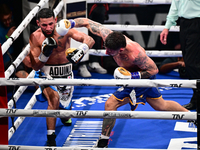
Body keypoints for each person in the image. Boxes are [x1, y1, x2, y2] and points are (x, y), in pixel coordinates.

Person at [72, 17, 189, 148]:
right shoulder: (108, 36)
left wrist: (132, 76)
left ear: (121, 50)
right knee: (161, 106)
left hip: (141, 79)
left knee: (110, 104)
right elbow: (88, 22)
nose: (106, 52)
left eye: (110, 51)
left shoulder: (135, 54)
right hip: (132, 78)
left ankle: (103, 143)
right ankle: (192, 116)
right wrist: (70, 23)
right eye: (106, 48)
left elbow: (154, 70)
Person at [29, 8, 94, 146]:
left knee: (65, 111)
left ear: (55, 20)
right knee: (54, 101)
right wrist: (44, 54)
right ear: (38, 23)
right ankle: (51, 139)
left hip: (66, 74)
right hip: (47, 74)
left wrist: (81, 51)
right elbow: (35, 66)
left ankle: (65, 114)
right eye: (44, 25)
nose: (48, 28)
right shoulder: (35, 37)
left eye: (51, 24)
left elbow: (89, 39)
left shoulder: (64, 30)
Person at [160, 0, 200, 110]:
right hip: (184, 23)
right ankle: (196, 99)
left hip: (198, 21)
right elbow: (175, 4)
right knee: (189, 63)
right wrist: (167, 27)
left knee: (193, 64)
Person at [77, 3, 108, 77]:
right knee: (82, 27)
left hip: (100, 4)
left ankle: (94, 61)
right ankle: (82, 64)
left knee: (97, 30)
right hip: (82, 3)